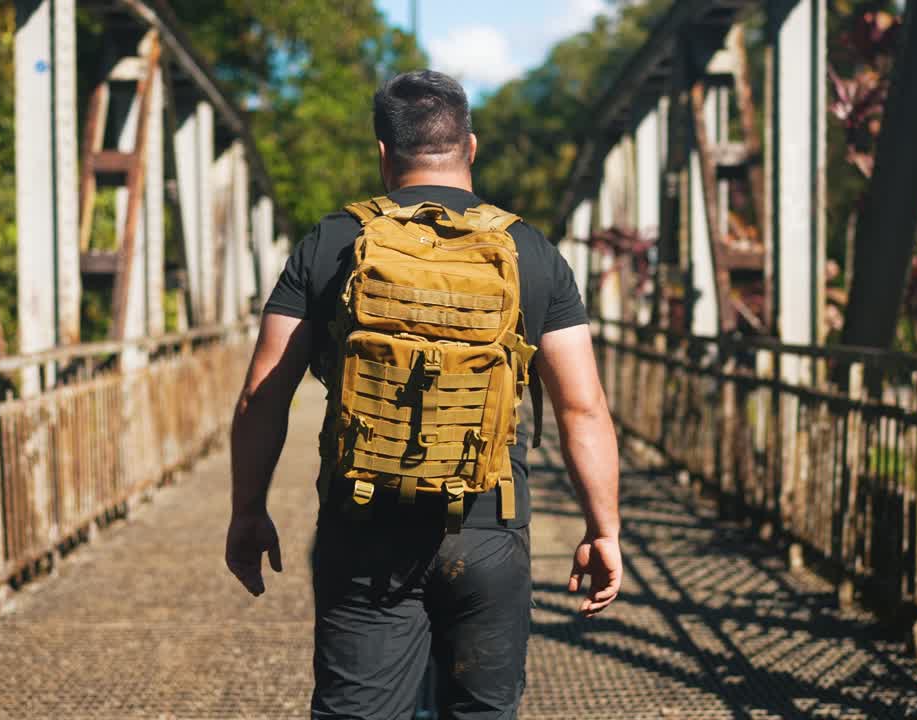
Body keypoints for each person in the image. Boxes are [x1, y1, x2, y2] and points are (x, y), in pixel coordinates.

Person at [225, 69, 621, 719]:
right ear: (471, 146)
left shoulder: (331, 242)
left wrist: (248, 510)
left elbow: (262, 397)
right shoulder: (529, 250)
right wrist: (604, 528)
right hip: (488, 530)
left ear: (384, 153)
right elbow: (583, 407)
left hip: (365, 527)